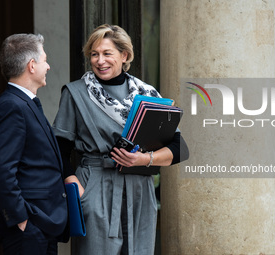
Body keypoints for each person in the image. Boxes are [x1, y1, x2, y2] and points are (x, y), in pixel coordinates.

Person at [53, 24, 189, 255]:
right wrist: (73, 184)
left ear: (124, 55)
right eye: (94, 54)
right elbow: (58, 148)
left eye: (107, 53)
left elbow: (180, 149)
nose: (99, 60)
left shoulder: (148, 95)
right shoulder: (75, 93)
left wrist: (145, 159)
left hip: (140, 191)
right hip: (95, 186)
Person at [0, 34, 68, 255]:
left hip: (42, 222)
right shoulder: (12, 106)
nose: (49, 66)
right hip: (29, 226)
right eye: (45, 60)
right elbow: (2, 168)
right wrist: (20, 217)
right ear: (31, 66)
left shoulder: (25, 102)